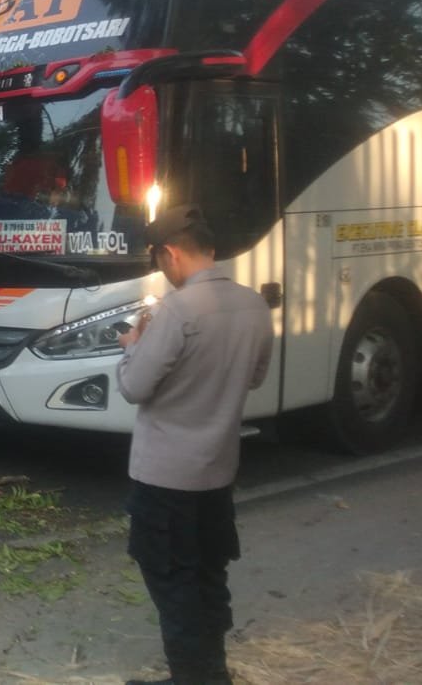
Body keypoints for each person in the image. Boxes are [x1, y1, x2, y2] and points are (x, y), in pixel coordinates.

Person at [115, 204, 273, 685]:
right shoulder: (254, 305)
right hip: (217, 472)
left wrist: (133, 345)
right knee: (208, 574)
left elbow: (134, 387)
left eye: (159, 260)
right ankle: (213, 671)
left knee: (171, 580)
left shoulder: (178, 310)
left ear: (169, 254)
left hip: (165, 476)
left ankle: (191, 677)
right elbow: (256, 377)